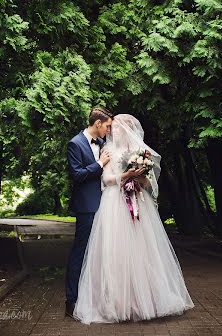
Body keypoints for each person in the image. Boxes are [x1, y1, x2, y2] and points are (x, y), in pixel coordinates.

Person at [73, 113, 195, 324]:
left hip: (138, 202)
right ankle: (118, 303)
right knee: (116, 251)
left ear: (129, 130)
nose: (113, 131)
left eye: (119, 128)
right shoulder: (107, 150)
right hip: (114, 204)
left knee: (142, 250)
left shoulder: (139, 152)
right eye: (113, 128)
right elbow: (106, 179)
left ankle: (146, 300)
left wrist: (139, 177)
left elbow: (148, 183)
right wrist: (125, 176)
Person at [65, 106, 114, 318]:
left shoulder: (104, 143)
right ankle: (71, 301)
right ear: (97, 124)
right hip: (86, 207)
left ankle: (95, 299)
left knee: (100, 255)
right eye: (107, 126)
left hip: (105, 207)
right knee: (81, 252)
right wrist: (100, 164)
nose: (108, 130)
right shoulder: (75, 144)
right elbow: (77, 175)